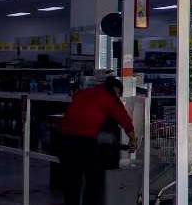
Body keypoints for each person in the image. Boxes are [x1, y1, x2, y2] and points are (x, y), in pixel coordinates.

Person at [58, 76, 138, 205]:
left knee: (72, 183)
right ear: (115, 90)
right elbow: (124, 119)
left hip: (63, 140)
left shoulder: (83, 93)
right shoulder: (109, 97)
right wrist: (133, 139)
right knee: (94, 181)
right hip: (84, 142)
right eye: (119, 95)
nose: (118, 97)